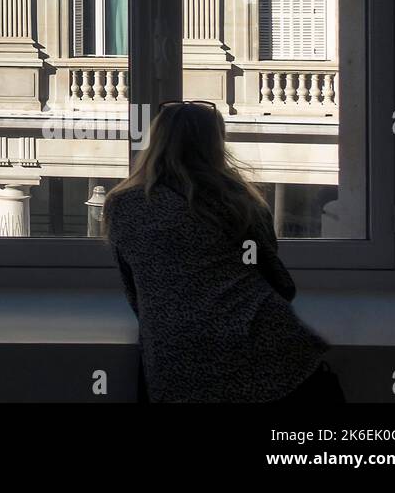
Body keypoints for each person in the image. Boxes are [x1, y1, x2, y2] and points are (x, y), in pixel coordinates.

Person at [105, 100, 342, 403]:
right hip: (260, 347)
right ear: (214, 144)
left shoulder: (121, 205)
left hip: (176, 359)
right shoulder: (237, 200)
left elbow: (136, 290)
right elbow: (277, 280)